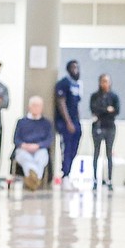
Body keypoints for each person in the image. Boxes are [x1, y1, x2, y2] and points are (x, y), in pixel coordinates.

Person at [13, 96, 53, 191]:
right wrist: (24, 145)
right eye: (34, 105)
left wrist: (38, 145)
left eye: (38, 106)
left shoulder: (46, 123)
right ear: (29, 107)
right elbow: (16, 139)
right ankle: (35, 178)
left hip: (39, 148)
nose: (36, 108)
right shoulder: (21, 122)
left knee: (42, 156)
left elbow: (49, 140)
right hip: (24, 148)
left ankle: (32, 178)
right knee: (24, 157)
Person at [55, 60, 82, 191]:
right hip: (66, 123)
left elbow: (76, 105)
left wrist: (77, 121)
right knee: (66, 149)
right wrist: (68, 122)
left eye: (77, 67)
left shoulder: (76, 84)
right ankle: (64, 175)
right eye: (73, 67)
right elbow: (61, 103)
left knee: (74, 150)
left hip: (76, 121)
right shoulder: (63, 83)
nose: (76, 69)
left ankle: (69, 174)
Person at [90, 74, 120, 191]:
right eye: (103, 81)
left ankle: (109, 180)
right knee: (96, 153)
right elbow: (94, 109)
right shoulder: (95, 96)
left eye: (107, 81)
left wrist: (105, 111)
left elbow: (116, 110)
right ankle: (95, 179)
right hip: (97, 127)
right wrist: (106, 109)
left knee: (109, 154)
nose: (105, 84)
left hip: (110, 127)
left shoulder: (114, 97)